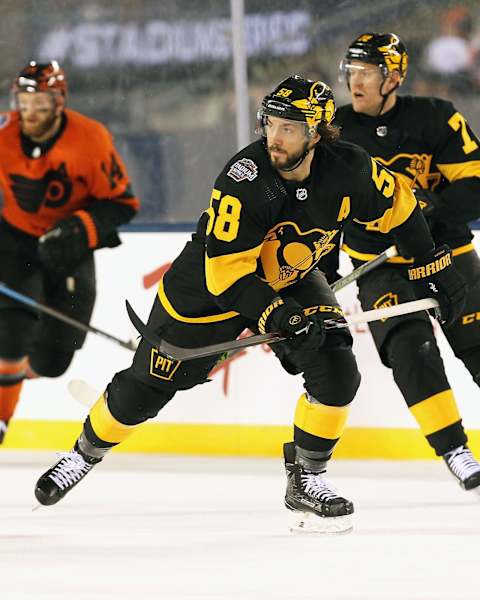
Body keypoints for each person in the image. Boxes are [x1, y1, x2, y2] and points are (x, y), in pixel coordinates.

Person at [34, 75, 465, 534]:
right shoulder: (247, 177)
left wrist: (434, 267)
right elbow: (227, 274)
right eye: (271, 124)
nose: (275, 138)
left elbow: (400, 207)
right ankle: (83, 453)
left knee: (337, 369)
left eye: (290, 128)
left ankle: (308, 478)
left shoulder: (350, 168)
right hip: (209, 287)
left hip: (293, 277)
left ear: (316, 134)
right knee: (148, 387)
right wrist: (278, 315)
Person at [335, 32, 480, 492]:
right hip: (380, 267)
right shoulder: (332, 133)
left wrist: (433, 210)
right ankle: (454, 448)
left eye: (366, 73)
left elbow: (476, 181)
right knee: (409, 351)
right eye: (351, 73)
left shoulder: (436, 117)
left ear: (393, 76)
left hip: (446, 255)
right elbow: (312, 204)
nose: (355, 82)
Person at [0, 61, 139, 445]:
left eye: (41, 103)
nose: (30, 113)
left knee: (53, 361)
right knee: (10, 335)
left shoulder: (90, 138)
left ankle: (17, 372)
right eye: (24, 103)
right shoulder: (3, 131)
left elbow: (123, 203)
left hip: (68, 246)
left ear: (59, 101)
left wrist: (79, 228)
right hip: (14, 240)